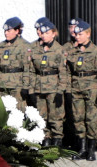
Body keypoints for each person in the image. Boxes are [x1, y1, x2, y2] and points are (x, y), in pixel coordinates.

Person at [67, 21, 97, 161]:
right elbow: (68, 71)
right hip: (76, 87)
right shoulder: (73, 51)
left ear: (88, 34)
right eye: (76, 34)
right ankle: (82, 148)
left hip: (91, 88)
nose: (77, 37)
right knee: (78, 118)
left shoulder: (96, 51)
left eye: (80, 34)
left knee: (92, 119)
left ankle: (91, 149)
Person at [28, 18, 68, 147]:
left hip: (53, 88)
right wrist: (32, 89)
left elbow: (63, 72)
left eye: (47, 33)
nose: (44, 35)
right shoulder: (37, 49)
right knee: (42, 116)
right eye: (42, 33)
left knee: (55, 117)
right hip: (40, 88)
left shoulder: (59, 50)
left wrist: (61, 90)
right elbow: (32, 70)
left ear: (53, 33)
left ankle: (57, 142)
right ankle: (45, 140)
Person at [0, 17, 32, 110]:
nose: (6, 33)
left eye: (9, 30)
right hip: (1, 85)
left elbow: (27, 68)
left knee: (17, 112)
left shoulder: (25, 46)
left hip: (17, 86)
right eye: (5, 31)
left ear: (17, 31)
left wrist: (25, 86)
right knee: (1, 112)